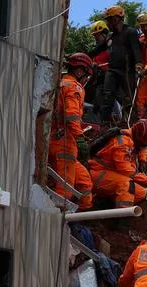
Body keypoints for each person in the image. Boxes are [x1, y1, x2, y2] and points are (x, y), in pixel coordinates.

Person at [49, 53, 95, 209]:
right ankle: (56, 218)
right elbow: (72, 116)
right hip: (64, 144)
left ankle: (83, 214)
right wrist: (80, 138)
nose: (86, 79)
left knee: (85, 182)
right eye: (86, 75)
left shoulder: (59, 83)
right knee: (65, 191)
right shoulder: (74, 88)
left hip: (54, 140)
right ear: (79, 71)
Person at [90, 5, 142, 123]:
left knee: (129, 98)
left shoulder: (131, 32)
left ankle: (132, 123)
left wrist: (139, 63)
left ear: (117, 19)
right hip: (112, 70)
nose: (108, 23)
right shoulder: (112, 36)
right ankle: (105, 124)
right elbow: (99, 49)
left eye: (110, 19)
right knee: (107, 97)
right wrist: (85, 56)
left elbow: (136, 49)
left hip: (127, 70)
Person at [89, 119, 147, 209]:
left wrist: (143, 160)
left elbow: (143, 148)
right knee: (127, 185)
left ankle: (110, 200)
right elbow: (126, 170)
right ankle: (123, 213)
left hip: (113, 173)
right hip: (100, 174)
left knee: (143, 194)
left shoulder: (133, 137)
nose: (142, 146)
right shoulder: (122, 144)